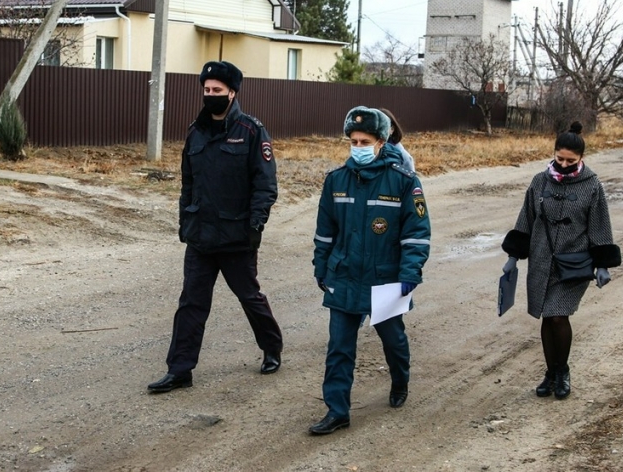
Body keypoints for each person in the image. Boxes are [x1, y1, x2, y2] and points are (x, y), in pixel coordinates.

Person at [147, 61, 283, 393]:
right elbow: (188, 183)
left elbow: (265, 185)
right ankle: (180, 370)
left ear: (232, 93)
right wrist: (185, 221)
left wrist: (255, 226)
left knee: (250, 297)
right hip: (201, 238)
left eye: (217, 91)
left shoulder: (251, 131)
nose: (210, 96)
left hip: (237, 237)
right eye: (206, 90)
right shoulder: (196, 131)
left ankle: (272, 348)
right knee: (191, 304)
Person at [309, 106, 431, 434]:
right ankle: (337, 410)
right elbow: (325, 231)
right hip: (344, 277)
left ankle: (400, 382)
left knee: (393, 341)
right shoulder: (336, 181)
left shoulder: (405, 183)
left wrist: (409, 276)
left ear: (381, 141)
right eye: (353, 141)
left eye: (365, 141)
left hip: (387, 279)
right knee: (338, 349)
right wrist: (322, 267)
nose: (358, 147)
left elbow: (416, 235)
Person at [501, 121, 621, 400]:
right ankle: (551, 372)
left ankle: (562, 370)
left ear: (581, 159)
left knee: (557, 315)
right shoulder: (539, 181)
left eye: (571, 160)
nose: (565, 164)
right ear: (553, 153)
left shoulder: (592, 185)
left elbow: (600, 224)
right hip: (542, 260)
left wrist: (602, 263)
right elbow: (526, 218)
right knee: (546, 315)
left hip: (574, 262)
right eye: (560, 159)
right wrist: (513, 256)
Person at [380, 107, 415, 172]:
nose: (378, 131)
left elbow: (410, 180)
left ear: (392, 129)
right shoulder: (367, 151)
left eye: (383, 127)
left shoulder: (403, 156)